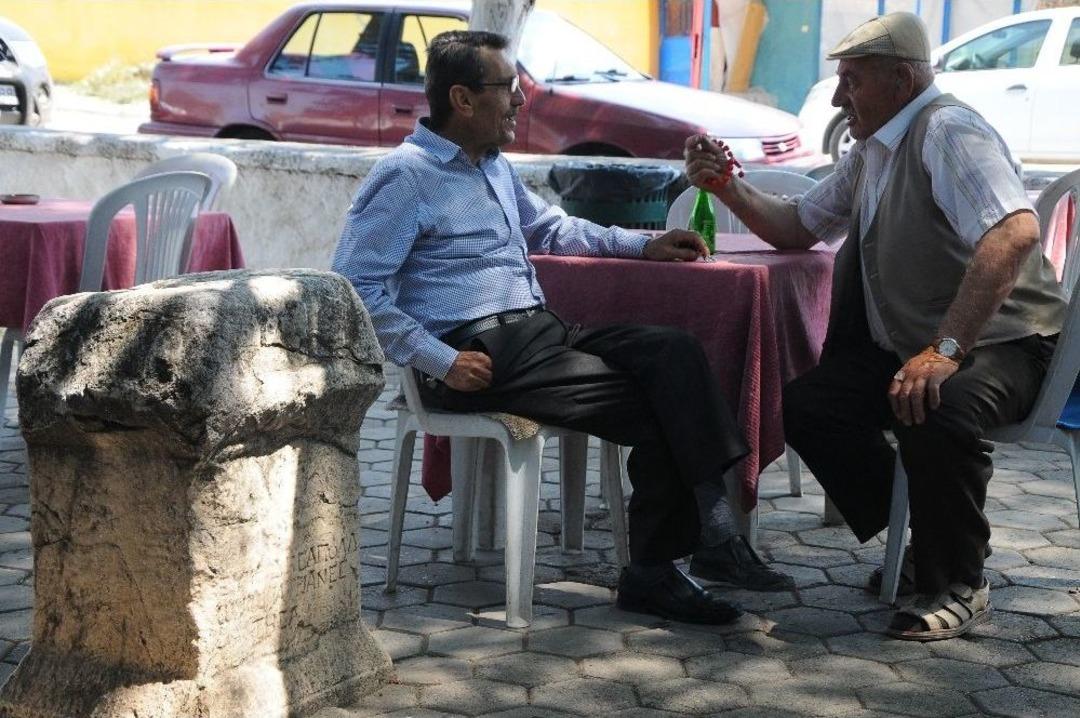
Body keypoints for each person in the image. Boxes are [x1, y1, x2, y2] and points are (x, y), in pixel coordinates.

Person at [333, 30, 794, 625]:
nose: (522, 99)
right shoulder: (407, 176)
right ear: (463, 99)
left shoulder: (490, 167)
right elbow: (354, 289)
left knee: (674, 354)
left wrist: (644, 244)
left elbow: (552, 229)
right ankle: (677, 560)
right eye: (509, 87)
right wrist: (440, 362)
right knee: (668, 404)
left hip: (539, 333)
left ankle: (703, 542)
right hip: (477, 355)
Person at [684, 12, 1065, 640]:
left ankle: (958, 578)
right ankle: (935, 530)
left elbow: (1014, 231)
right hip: (927, 343)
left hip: (1012, 341)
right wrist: (727, 185)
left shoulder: (947, 131)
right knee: (809, 404)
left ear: (902, 78)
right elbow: (798, 226)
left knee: (933, 403)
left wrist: (944, 349)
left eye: (853, 81)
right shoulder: (875, 150)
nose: (838, 97)